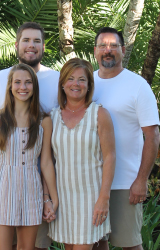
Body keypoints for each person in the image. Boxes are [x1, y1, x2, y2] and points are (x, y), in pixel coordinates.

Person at [0, 22, 59, 250]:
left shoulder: (43, 121)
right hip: (2, 189)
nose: (22, 87)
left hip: (33, 190)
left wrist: (52, 199)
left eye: (27, 83)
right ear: (10, 86)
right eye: (17, 83)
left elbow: (45, 162)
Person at [92, 27, 159, 250]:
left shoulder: (137, 85)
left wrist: (141, 180)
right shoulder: (85, 84)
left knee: (130, 245)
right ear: (95, 51)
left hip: (125, 182)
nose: (107, 50)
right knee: (97, 242)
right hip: (91, 181)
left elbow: (152, 135)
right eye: (102, 46)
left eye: (113, 46)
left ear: (122, 50)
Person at [47, 58, 116, 250]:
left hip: (91, 197)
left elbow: (110, 157)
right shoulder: (52, 116)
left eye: (81, 79)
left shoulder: (99, 114)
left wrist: (104, 198)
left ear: (89, 85)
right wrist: (49, 199)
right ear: (62, 84)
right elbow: (48, 161)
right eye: (70, 78)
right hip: (63, 197)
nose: (75, 84)